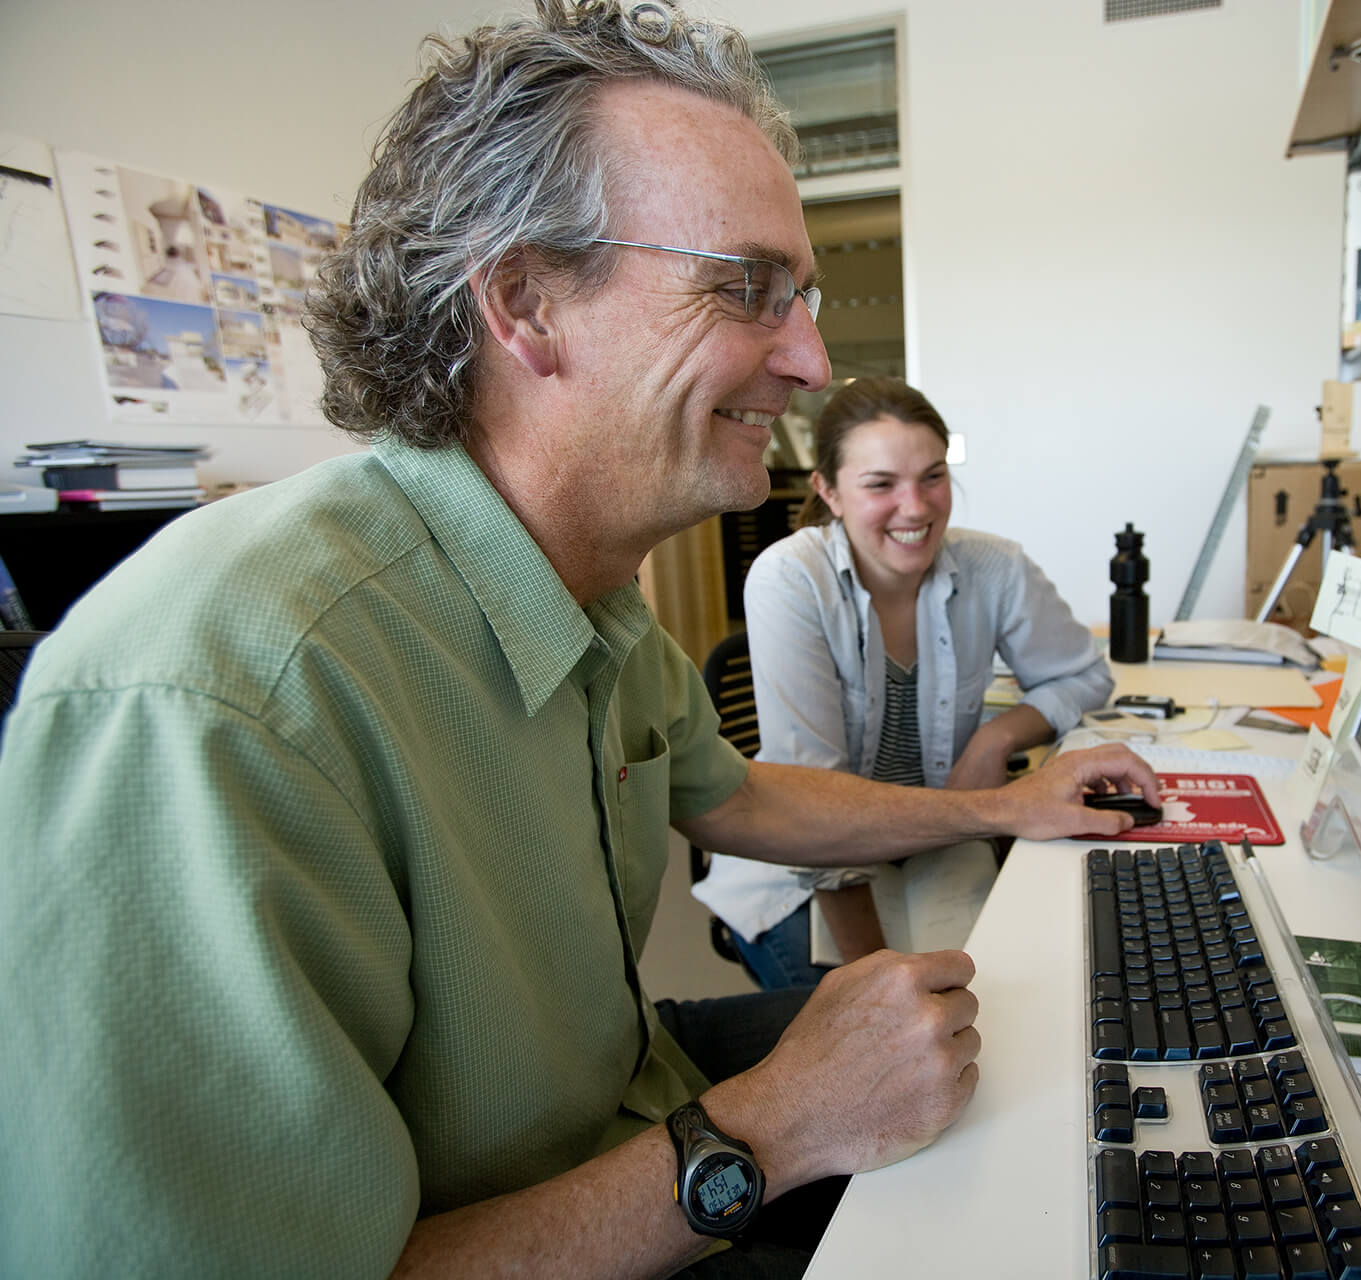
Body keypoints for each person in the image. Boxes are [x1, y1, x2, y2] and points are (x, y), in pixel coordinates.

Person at [0, 4, 1158, 1277]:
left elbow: (744, 796)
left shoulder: (593, 591)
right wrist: (773, 1125)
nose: (812, 358)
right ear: (527, 304)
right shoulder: (215, 695)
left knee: (1064, 1077)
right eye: (747, 288)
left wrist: (1006, 809)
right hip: (551, 1199)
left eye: (806, 297)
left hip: (624, 1092)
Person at [694, 377, 1113, 989]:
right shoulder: (789, 579)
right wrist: (880, 983)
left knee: (1020, 996)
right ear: (828, 492)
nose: (916, 508)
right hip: (805, 867)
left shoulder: (994, 567)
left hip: (938, 839)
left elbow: (1083, 672)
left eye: (933, 477)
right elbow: (813, 807)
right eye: (880, 485)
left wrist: (996, 738)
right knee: (877, 1051)